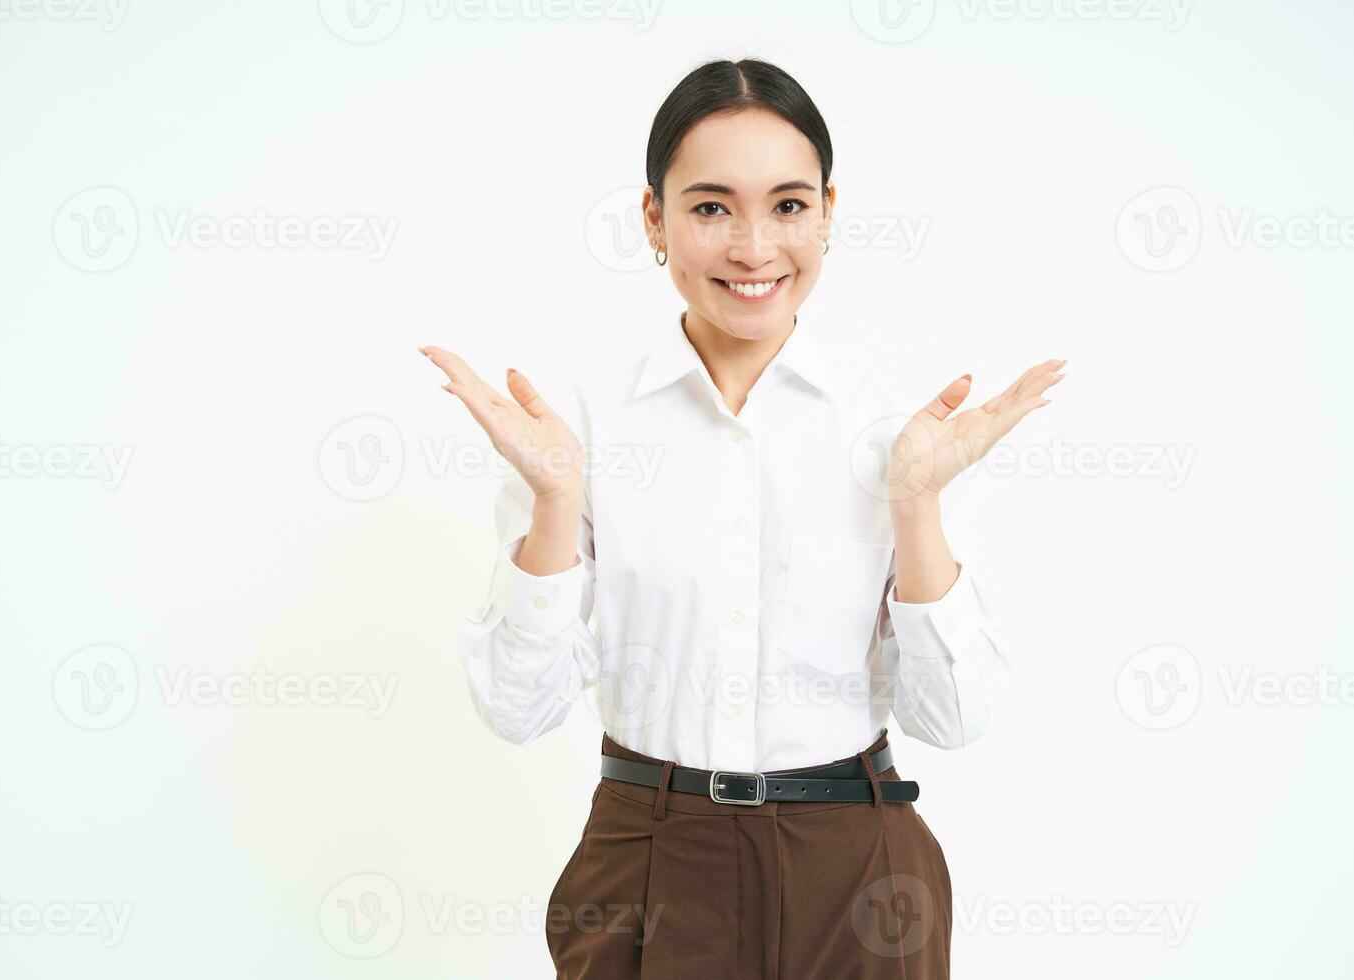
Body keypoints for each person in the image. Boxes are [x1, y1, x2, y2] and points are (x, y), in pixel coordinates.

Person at [421, 57, 1063, 980]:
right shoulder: (579, 435)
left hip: (859, 867)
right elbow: (517, 711)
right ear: (655, 219)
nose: (755, 248)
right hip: (648, 856)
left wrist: (915, 508)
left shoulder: (900, 438)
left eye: (789, 206)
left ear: (829, 213)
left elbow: (954, 721)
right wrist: (558, 504)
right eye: (712, 206)